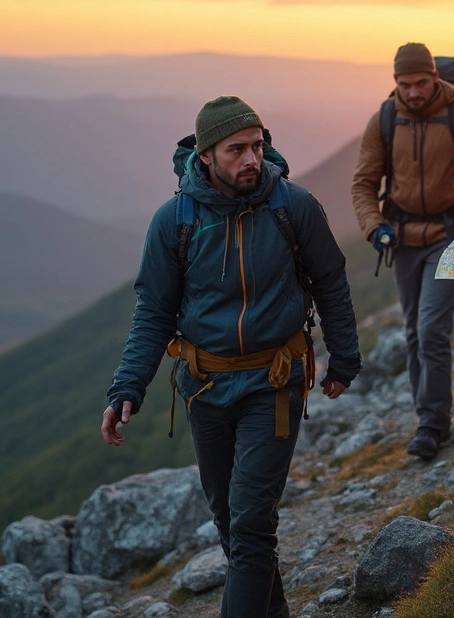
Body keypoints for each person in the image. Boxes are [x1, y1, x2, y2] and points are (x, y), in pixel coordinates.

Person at [101, 96, 361, 616]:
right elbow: (153, 311)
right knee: (231, 522)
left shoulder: (293, 206)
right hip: (205, 388)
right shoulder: (175, 221)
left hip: (275, 382)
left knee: (249, 524)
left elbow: (331, 281)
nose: (251, 159)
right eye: (236, 149)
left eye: (258, 146)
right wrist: (127, 387)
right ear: (205, 156)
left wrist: (345, 358)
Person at [350, 43, 454, 460]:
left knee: (430, 329)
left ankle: (432, 425)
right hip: (402, 241)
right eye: (406, 85)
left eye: (422, 83)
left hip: (450, 238)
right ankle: (429, 417)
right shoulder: (384, 120)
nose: (414, 92)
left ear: (435, 76)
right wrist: (374, 226)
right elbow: (364, 184)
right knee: (413, 331)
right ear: (395, 83)